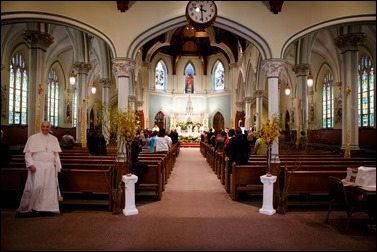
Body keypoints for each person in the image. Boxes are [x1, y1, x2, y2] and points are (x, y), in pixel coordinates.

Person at [16, 121, 62, 217]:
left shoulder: (54, 139)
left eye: (47, 127)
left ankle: (47, 208)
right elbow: (28, 154)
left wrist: (57, 165)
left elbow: (56, 154)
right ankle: (32, 207)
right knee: (37, 186)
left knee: (49, 188)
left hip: (50, 167)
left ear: (50, 128)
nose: (45, 128)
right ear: (41, 127)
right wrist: (30, 164)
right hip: (37, 166)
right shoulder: (33, 138)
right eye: (43, 126)